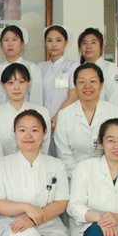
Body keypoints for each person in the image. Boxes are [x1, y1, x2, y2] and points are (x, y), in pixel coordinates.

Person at [54, 63, 118, 178]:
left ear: (101, 84)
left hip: (108, 177)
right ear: (75, 85)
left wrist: (104, 176)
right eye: (82, 82)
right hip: (74, 178)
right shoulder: (65, 115)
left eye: (93, 81)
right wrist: (82, 177)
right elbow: (64, 154)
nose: (87, 86)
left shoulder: (114, 112)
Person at [0, 63, 51, 169]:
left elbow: (43, 149)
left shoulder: (42, 112)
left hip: (35, 171)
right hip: (3, 172)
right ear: (2, 85)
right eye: (11, 82)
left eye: (21, 82)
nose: (16, 87)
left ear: (28, 83)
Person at [38, 25, 78, 155]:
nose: (54, 44)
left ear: (66, 42)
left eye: (59, 40)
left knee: (64, 158)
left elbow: (73, 97)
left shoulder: (73, 66)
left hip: (63, 122)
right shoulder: (40, 67)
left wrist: (54, 120)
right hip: (43, 124)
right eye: (50, 40)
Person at [0, 25, 43, 107]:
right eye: (6, 40)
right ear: (1, 44)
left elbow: (36, 100)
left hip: (25, 114)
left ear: (22, 43)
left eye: (14, 39)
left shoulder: (32, 68)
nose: (10, 44)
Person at [78, 28, 118, 106]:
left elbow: (114, 99)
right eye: (84, 43)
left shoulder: (110, 68)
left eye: (93, 43)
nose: (88, 46)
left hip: (105, 113)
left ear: (102, 46)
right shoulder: (78, 70)